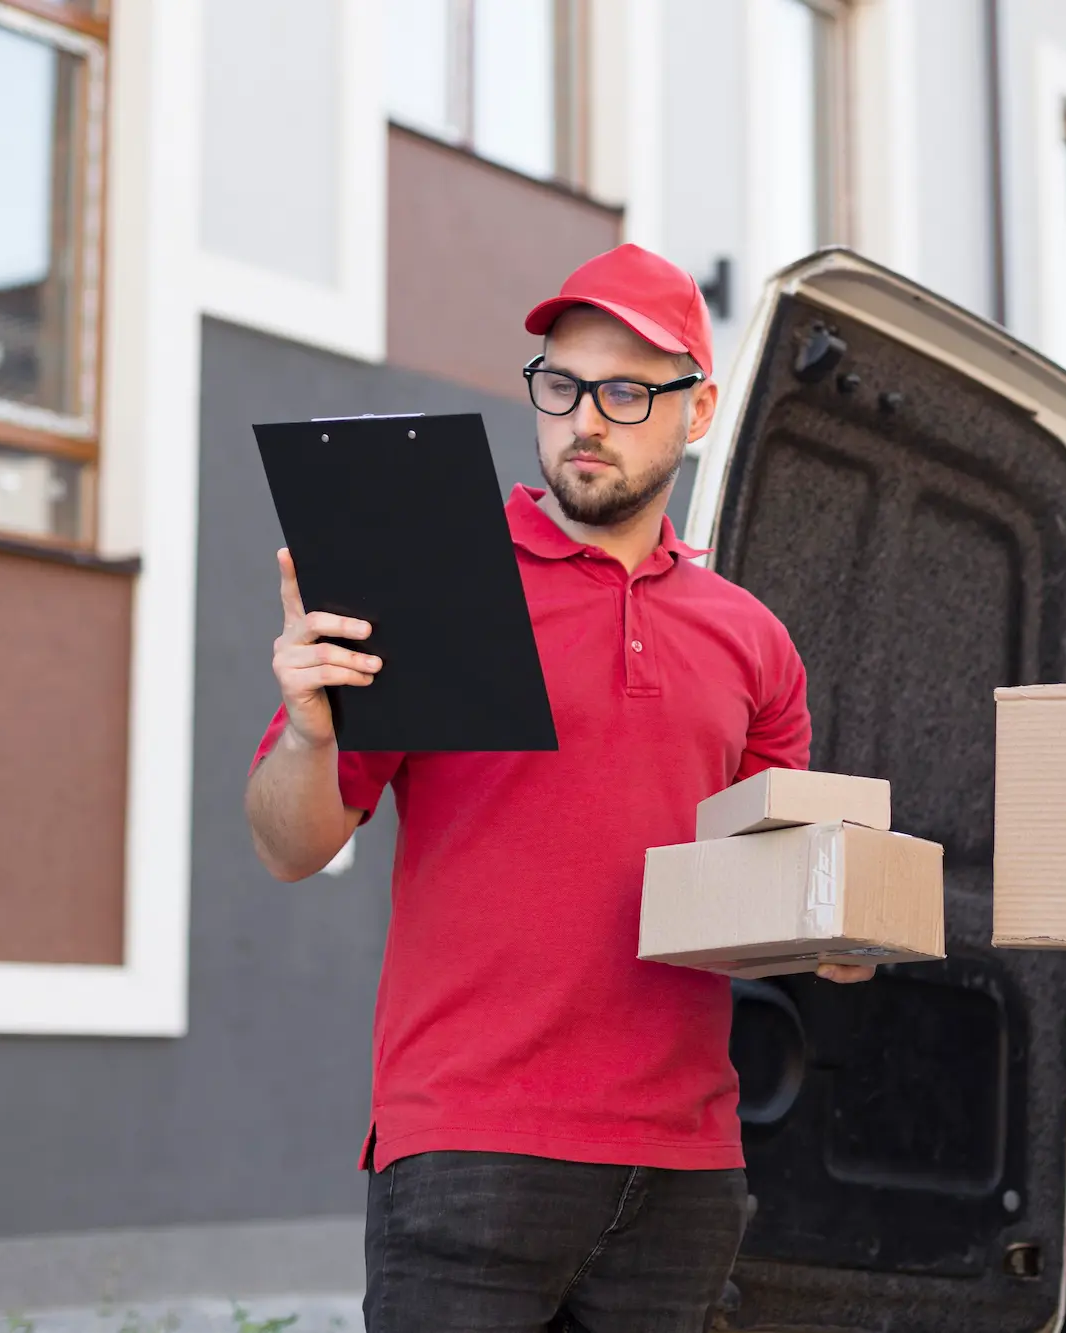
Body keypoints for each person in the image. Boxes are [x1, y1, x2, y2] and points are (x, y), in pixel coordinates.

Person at [245, 243, 872, 1333]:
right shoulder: (430, 577)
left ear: (698, 409)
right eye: (561, 384)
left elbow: (770, 889)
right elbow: (286, 844)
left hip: (683, 1166)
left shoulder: (751, 640)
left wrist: (840, 929)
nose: (586, 418)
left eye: (628, 392)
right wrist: (307, 737)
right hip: (471, 1145)